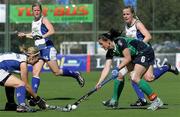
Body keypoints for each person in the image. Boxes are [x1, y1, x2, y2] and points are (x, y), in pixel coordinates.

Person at [103, 6, 179, 107]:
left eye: (127, 14)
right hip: (135, 53)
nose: (125, 16)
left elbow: (148, 36)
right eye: (124, 14)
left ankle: (166, 67)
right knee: (128, 76)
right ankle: (138, 99)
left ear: (132, 14)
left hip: (144, 51)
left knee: (148, 78)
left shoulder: (137, 24)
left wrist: (139, 47)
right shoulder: (127, 25)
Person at [17, 2, 85, 101]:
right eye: (35, 10)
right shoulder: (33, 21)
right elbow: (35, 34)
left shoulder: (44, 19)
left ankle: (75, 74)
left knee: (56, 72)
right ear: (32, 11)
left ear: (41, 11)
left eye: (38, 10)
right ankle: (33, 96)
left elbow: (52, 31)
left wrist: (42, 37)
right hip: (39, 50)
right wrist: (25, 35)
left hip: (48, 48)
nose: (36, 12)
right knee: (35, 72)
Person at [96, 30, 164, 111]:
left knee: (135, 77)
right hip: (135, 56)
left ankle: (156, 100)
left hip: (145, 51)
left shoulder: (120, 42)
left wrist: (117, 68)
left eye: (101, 44)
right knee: (120, 75)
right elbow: (106, 68)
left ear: (107, 41)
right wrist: (99, 83)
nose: (101, 46)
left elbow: (128, 58)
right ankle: (114, 101)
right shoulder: (110, 52)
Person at [0, 46, 46, 112]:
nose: (37, 61)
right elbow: (25, 85)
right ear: (32, 57)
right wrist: (38, 99)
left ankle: (11, 104)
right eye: (38, 59)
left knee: (13, 82)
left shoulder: (20, 58)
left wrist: (29, 96)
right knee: (20, 84)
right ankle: (22, 105)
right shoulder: (23, 63)